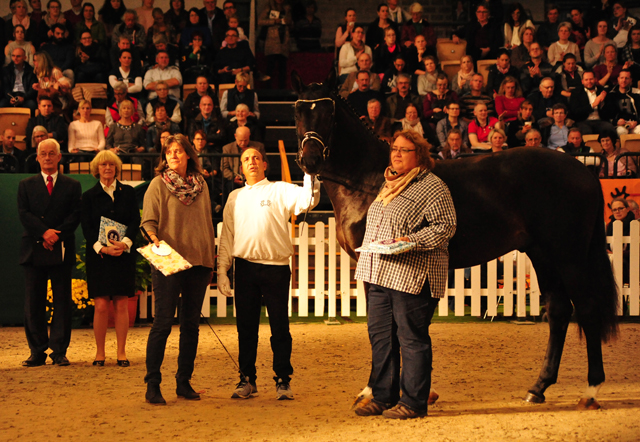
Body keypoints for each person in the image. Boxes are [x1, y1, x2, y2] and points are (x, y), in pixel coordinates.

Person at [353, 129, 456, 419]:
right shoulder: (389, 184)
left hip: (412, 275)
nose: (396, 154)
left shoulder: (432, 187)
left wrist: (409, 242)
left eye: (404, 150)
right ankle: (384, 396)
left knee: (411, 338)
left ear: (419, 156)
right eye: (394, 149)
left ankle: (413, 402)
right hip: (379, 274)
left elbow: (445, 226)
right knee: (381, 337)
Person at [218, 146, 320, 401]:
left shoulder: (280, 189)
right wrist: (222, 270)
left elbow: (310, 199)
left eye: (255, 158)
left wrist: (309, 173)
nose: (251, 162)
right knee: (246, 328)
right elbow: (227, 236)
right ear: (241, 168)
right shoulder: (234, 197)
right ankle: (247, 379)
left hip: (276, 268)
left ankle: (283, 380)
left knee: (280, 327)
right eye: (245, 159)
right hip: (244, 267)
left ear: (264, 165)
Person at [141, 133, 216, 404]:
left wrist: (210, 262)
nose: (173, 155)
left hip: (198, 262)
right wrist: (155, 240)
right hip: (168, 260)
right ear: (165, 158)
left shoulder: (202, 185)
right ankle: (153, 384)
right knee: (162, 323)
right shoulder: (157, 185)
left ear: (188, 155)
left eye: (178, 151)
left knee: (191, 326)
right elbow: (148, 222)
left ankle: (183, 382)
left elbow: (207, 224)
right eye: (169, 152)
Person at [17, 138, 82, 367]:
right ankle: (37, 351)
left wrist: (57, 235)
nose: (47, 157)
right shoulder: (26, 185)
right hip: (34, 249)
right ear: (37, 157)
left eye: (51, 153)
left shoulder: (72, 185)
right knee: (33, 301)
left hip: (61, 248)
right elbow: (24, 214)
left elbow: (75, 215)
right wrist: (44, 233)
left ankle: (59, 351)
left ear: (59, 156)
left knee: (62, 301)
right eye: (42, 153)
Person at [81, 150, 140, 367]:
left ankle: (122, 353)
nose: (108, 168)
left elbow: (135, 221)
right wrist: (102, 249)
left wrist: (125, 243)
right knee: (102, 306)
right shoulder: (88, 196)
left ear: (116, 168)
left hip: (123, 255)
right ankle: (99, 353)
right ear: (97, 169)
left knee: (122, 304)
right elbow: (86, 228)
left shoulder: (129, 193)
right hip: (100, 258)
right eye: (104, 165)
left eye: (111, 165)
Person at [221, 125, 266, 194]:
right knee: (229, 186)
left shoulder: (258, 147)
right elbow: (224, 168)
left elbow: (265, 165)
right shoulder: (227, 148)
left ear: (249, 136)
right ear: (235, 136)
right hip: (233, 180)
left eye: (245, 140)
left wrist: (253, 176)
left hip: (254, 178)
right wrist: (234, 177)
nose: (243, 143)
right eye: (241, 140)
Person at [258, 0, 292, 89]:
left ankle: (282, 89)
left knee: (282, 68)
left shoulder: (287, 8)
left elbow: (291, 24)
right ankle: (268, 89)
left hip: (284, 42)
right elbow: (260, 21)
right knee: (270, 67)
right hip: (272, 41)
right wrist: (273, 21)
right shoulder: (269, 7)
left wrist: (288, 20)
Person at [569, 69, 613, 136]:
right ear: (582, 81)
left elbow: (610, 111)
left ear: (595, 79)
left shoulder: (602, 91)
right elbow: (575, 112)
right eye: (586, 80)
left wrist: (602, 104)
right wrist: (593, 105)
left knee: (609, 128)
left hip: (600, 120)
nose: (589, 82)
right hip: (583, 121)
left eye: (591, 79)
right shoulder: (576, 93)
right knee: (586, 131)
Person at [603, 69, 640, 135]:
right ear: (618, 79)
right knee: (621, 131)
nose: (624, 80)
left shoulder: (637, 93)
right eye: (622, 78)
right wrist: (616, 122)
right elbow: (606, 114)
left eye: (626, 78)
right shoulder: (611, 94)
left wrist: (637, 122)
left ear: (631, 80)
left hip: (634, 124)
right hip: (619, 125)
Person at [1, 47, 38, 114]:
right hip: (11, 95)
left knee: (32, 105)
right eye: (13, 56)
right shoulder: (6, 70)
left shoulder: (31, 70)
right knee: (2, 104)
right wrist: (10, 98)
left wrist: (23, 98)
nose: (15, 58)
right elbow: (5, 88)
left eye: (18, 56)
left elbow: (32, 89)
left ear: (25, 58)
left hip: (25, 96)